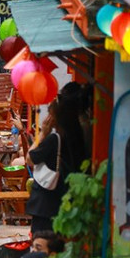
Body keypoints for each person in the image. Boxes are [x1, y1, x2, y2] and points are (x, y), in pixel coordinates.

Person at [25, 97, 87, 232]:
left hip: (46, 204)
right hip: (63, 201)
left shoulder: (54, 140)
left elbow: (29, 158)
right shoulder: (77, 138)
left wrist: (42, 134)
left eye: (49, 114)